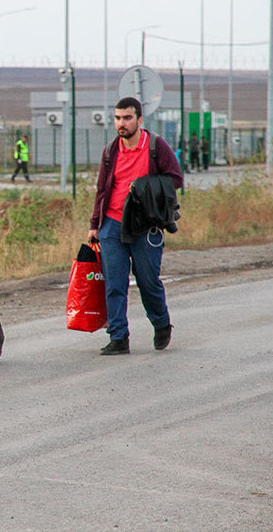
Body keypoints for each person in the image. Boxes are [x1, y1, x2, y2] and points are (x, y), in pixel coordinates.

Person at [88, 96, 183, 356]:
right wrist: (95, 224)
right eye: (118, 118)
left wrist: (144, 187)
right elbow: (101, 189)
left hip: (145, 224)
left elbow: (175, 178)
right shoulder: (110, 151)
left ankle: (161, 324)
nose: (122, 123)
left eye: (127, 118)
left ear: (139, 120)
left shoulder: (155, 146)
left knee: (147, 282)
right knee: (114, 284)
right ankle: (118, 337)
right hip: (112, 224)